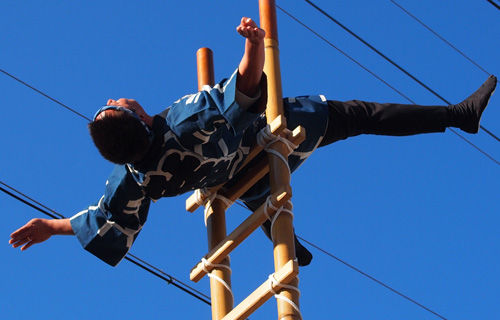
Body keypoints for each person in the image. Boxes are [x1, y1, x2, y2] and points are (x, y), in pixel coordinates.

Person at [9, 17, 497, 267]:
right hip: (267, 145)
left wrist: (51, 228)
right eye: (114, 101)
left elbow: (107, 219)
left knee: (254, 193)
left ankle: (290, 245)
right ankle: (458, 115)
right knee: (358, 115)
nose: (116, 96)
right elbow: (243, 88)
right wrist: (253, 42)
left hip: (235, 183)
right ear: (134, 114)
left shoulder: (135, 177)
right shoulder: (181, 120)